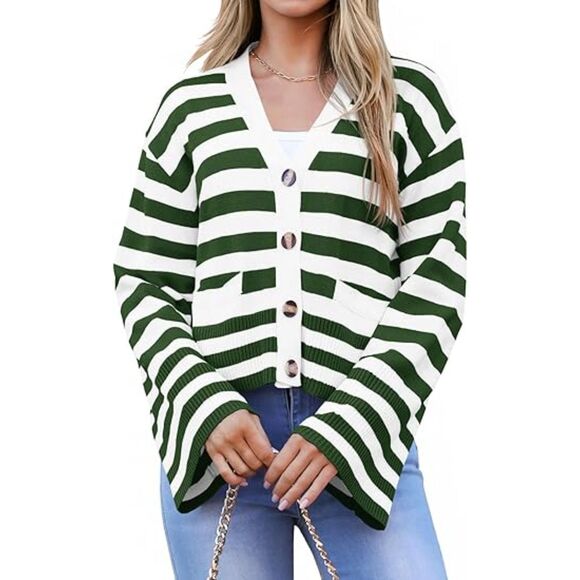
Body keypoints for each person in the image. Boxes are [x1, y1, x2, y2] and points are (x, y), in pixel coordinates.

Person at [113, 1, 467, 578]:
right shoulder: (190, 109)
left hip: (362, 447)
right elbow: (145, 279)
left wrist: (352, 422)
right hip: (222, 454)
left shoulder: (407, 101)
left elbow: (437, 280)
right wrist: (203, 404)